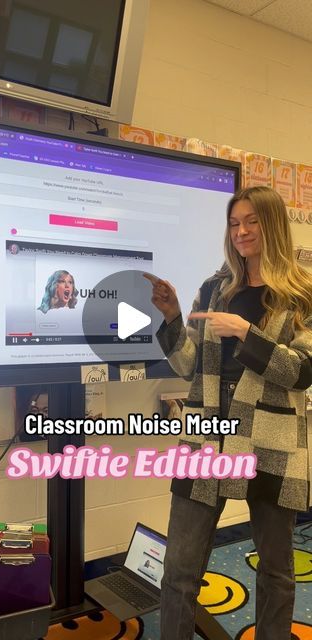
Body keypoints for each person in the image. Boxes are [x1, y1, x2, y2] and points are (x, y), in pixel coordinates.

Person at [145, 186, 312, 640]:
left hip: (273, 443)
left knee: (276, 571)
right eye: (235, 223)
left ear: (273, 224)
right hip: (207, 439)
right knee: (179, 569)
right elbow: (189, 368)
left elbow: (301, 373)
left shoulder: (302, 294)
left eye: (252, 221)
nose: (241, 232)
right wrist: (173, 317)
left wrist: (246, 333)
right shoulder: (213, 290)